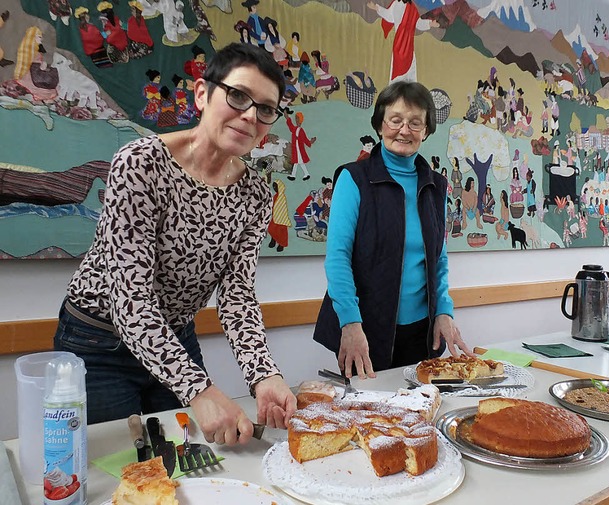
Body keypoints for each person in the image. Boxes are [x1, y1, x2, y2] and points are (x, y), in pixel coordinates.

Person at [53, 43, 296, 445]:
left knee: (190, 460)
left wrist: (263, 374)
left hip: (174, 339)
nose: (251, 115)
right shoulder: (140, 164)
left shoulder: (255, 192)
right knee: (114, 472)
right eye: (238, 96)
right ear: (202, 93)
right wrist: (199, 390)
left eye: (266, 109)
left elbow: (238, 297)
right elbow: (130, 299)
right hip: (99, 342)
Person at [313, 81, 472, 379]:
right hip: (364, 327)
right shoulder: (354, 178)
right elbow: (338, 258)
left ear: (426, 130)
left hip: (420, 332)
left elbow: (438, 258)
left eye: (415, 122)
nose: (404, 130)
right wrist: (349, 322)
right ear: (380, 125)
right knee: (370, 418)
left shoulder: (436, 185)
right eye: (395, 120)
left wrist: (444, 311)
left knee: (419, 414)